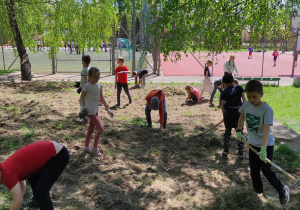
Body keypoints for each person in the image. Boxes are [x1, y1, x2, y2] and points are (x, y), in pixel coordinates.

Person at [236, 80, 289, 204]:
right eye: (248, 96)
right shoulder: (247, 105)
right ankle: (259, 194)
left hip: (266, 144)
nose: (251, 99)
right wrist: (239, 130)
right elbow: (242, 116)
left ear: (261, 94)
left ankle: (282, 189)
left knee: (266, 170)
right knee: (254, 172)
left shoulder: (267, 110)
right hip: (252, 143)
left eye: (254, 97)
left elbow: (266, 130)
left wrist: (263, 149)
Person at [0, 140, 69, 209]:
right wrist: (20, 197)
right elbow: (21, 181)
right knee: (29, 174)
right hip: (50, 149)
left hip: (58, 155)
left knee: (41, 192)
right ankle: (36, 201)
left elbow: (18, 201)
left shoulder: (7, 174)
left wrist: (18, 201)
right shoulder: (4, 167)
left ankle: (40, 201)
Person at [79, 67, 114, 156]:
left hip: (95, 111)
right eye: (95, 77)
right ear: (89, 76)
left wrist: (108, 109)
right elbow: (81, 97)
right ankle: (94, 147)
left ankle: (86, 147)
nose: (97, 79)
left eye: (98, 77)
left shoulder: (99, 85)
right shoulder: (86, 86)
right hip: (89, 111)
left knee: (91, 129)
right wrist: (82, 109)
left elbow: (102, 98)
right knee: (100, 129)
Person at [220, 74, 246, 160]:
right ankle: (240, 153)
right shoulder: (239, 88)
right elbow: (244, 101)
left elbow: (222, 106)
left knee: (227, 132)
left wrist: (224, 115)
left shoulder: (224, 92)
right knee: (239, 132)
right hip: (238, 113)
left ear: (224, 83)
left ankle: (225, 151)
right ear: (232, 80)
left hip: (228, 113)